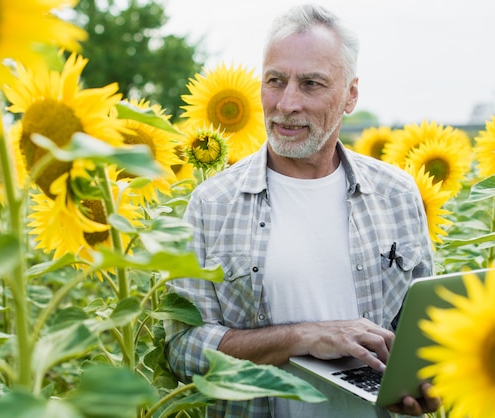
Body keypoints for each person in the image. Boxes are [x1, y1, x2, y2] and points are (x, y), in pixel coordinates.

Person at [164, 4, 442, 417]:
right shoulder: (212, 204)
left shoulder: (397, 194)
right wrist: (304, 336)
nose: (287, 103)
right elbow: (183, 351)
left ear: (350, 95)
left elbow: (424, 334)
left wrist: (424, 380)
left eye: (311, 84)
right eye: (275, 81)